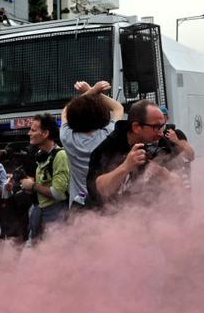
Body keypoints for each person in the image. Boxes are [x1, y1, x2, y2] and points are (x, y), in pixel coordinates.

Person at [86, 100, 178, 208]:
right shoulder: (107, 149)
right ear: (136, 127)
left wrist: (164, 174)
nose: (160, 133)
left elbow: (177, 180)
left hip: (144, 216)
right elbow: (99, 189)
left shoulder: (160, 142)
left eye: (162, 126)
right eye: (156, 127)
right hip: (107, 219)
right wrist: (126, 166)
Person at [60, 80, 124, 209]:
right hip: (106, 205)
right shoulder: (108, 135)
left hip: (79, 206)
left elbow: (66, 111)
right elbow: (118, 108)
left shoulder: (67, 137)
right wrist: (96, 92)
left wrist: (91, 91)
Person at [18, 113, 70, 241]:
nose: (29, 133)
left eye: (33, 130)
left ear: (45, 134)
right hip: (38, 212)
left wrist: (33, 186)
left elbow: (58, 193)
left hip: (55, 215)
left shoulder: (60, 156)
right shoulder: (40, 155)